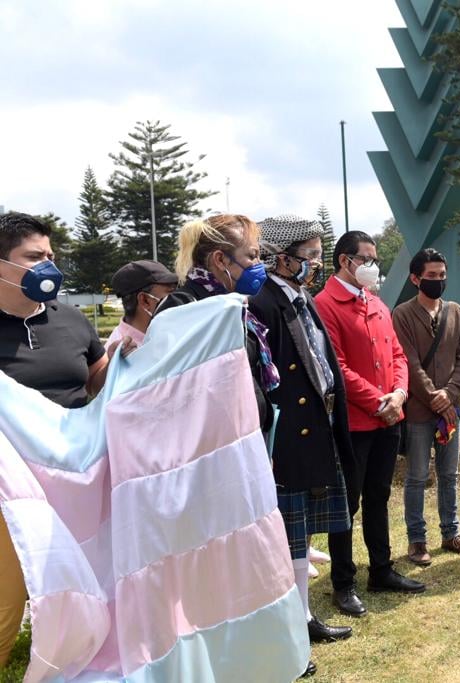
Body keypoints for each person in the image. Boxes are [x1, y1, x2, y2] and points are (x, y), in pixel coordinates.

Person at [0, 212, 112, 666]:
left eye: (50, 255)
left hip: (72, 474)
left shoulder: (71, 320)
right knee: (8, 589)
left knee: (83, 571)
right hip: (11, 485)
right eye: (33, 257)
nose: (48, 265)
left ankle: (82, 647)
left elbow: (100, 381)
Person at [249, 215, 356, 665]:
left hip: (317, 424)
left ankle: (304, 615)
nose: (315, 263)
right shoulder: (262, 301)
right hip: (288, 434)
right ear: (280, 256)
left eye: (316, 254)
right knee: (290, 538)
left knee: (303, 533)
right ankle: (293, 628)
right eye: (308, 255)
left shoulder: (300, 297)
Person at [315, 230, 425, 617]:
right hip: (356, 423)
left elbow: (397, 354)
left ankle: (381, 569)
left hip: (387, 419)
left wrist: (399, 394)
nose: (373, 266)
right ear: (346, 261)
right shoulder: (325, 304)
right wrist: (379, 401)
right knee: (347, 504)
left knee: (379, 497)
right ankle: (343, 583)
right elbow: (336, 368)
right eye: (367, 259)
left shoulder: (375, 302)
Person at [392, 248, 460, 566]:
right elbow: (409, 362)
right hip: (418, 410)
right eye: (431, 276)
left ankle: (451, 533)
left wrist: (451, 394)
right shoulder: (402, 314)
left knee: (450, 475)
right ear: (415, 278)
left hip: (450, 411)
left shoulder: (455, 311)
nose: (438, 281)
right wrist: (435, 397)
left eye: (442, 276)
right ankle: (417, 541)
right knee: (416, 477)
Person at [155, 214, 277, 435]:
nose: (259, 265)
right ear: (220, 260)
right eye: (252, 256)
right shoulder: (184, 306)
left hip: (246, 439)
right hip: (211, 447)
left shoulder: (238, 305)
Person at [106, 259, 179, 351]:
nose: (177, 298)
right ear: (145, 300)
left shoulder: (172, 335)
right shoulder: (120, 354)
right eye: (171, 292)